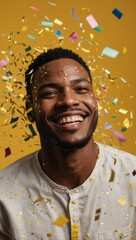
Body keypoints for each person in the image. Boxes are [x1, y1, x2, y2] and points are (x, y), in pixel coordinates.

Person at [0, 47, 136, 240]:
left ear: (95, 101)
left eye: (81, 89)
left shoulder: (133, 179)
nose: (69, 100)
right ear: (30, 109)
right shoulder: (4, 196)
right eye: (50, 93)